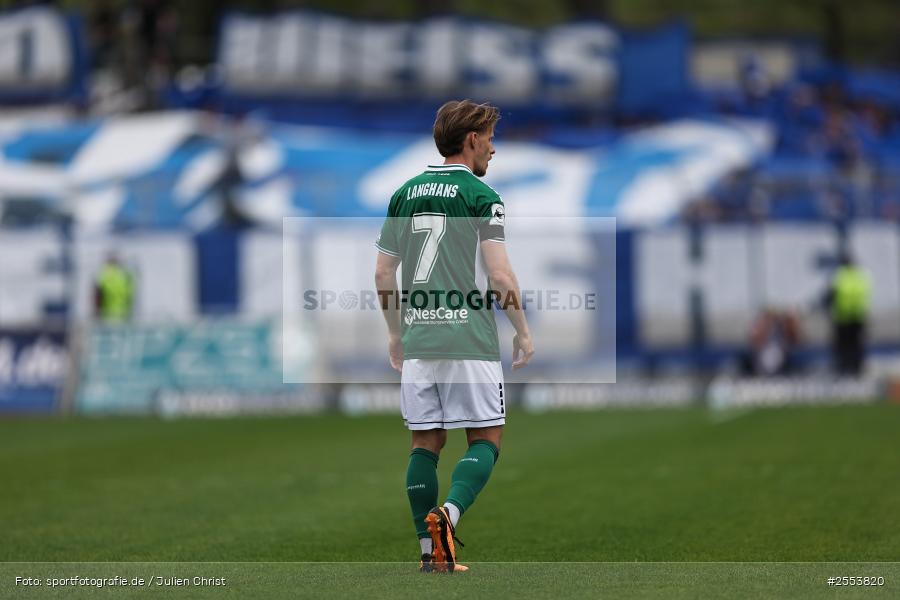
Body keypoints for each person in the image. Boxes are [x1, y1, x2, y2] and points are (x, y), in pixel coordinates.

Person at [374, 100, 534, 573]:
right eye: (489, 138)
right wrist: (522, 332)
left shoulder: (404, 193)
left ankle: (431, 555)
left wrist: (396, 334)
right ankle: (449, 514)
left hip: (421, 339)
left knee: (425, 446)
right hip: (469, 338)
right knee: (486, 438)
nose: (493, 148)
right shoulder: (482, 196)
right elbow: (501, 278)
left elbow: (384, 274)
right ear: (470, 141)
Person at [824, 252, 870, 376]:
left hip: (843, 317)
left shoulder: (839, 276)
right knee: (857, 344)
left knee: (843, 345)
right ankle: (857, 369)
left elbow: (831, 295)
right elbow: (866, 295)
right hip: (858, 316)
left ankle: (844, 369)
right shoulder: (861, 276)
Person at [94, 253, 135, 323]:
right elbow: (130, 297)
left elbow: (98, 297)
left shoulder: (102, 276)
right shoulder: (125, 276)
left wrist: (97, 315)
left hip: (106, 316)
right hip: (123, 315)